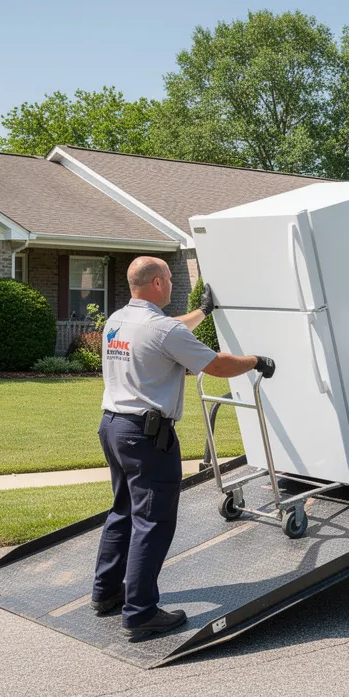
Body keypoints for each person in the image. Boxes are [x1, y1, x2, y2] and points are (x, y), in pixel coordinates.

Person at [90, 256, 274, 640]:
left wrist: (203, 312)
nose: (172, 284)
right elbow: (216, 365)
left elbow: (171, 331)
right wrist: (257, 360)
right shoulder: (159, 329)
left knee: (123, 510)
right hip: (146, 436)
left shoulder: (119, 320)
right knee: (152, 521)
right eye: (170, 278)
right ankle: (140, 613)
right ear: (157, 283)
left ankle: (106, 593)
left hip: (113, 427)